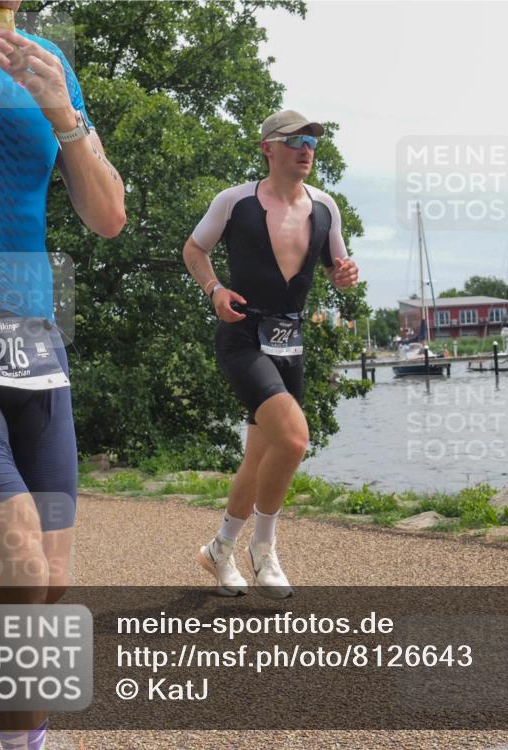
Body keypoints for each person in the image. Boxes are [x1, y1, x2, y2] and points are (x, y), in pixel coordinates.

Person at [0, 0, 125, 743]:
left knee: (46, 584)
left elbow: (108, 216)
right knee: (18, 566)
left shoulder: (49, 57)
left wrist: (65, 117)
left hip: (34, 342)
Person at [183, 109, 358, 599]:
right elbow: (194, 250)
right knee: (295, 440)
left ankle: (218, 550)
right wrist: (214, 289)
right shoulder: (234, 201)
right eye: (295, 140)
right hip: (242, 335)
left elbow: (336, 266)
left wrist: (344, 276)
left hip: (292, 342)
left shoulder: (326, 206)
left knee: (260, 456)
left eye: (312, 142)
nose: (306, 149)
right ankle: (264, 551)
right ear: (268, 148)